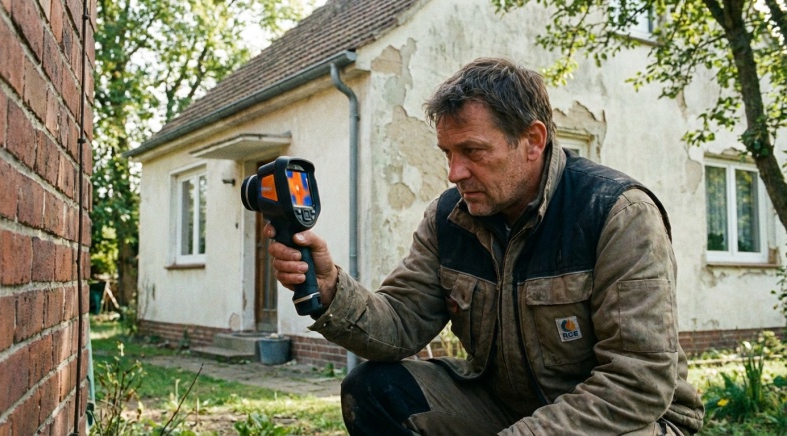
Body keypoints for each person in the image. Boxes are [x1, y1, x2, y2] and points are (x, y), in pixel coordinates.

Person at [265, 57, 704, 435]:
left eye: (473, 151)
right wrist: (329, 289)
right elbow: (400, 321)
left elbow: (637, 381)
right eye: (447, 153)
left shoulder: (616, 213)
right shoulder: (450, 217)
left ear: (533, 140)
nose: (455, 172)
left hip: (630, 420)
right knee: (374, 391)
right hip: (505, 405)